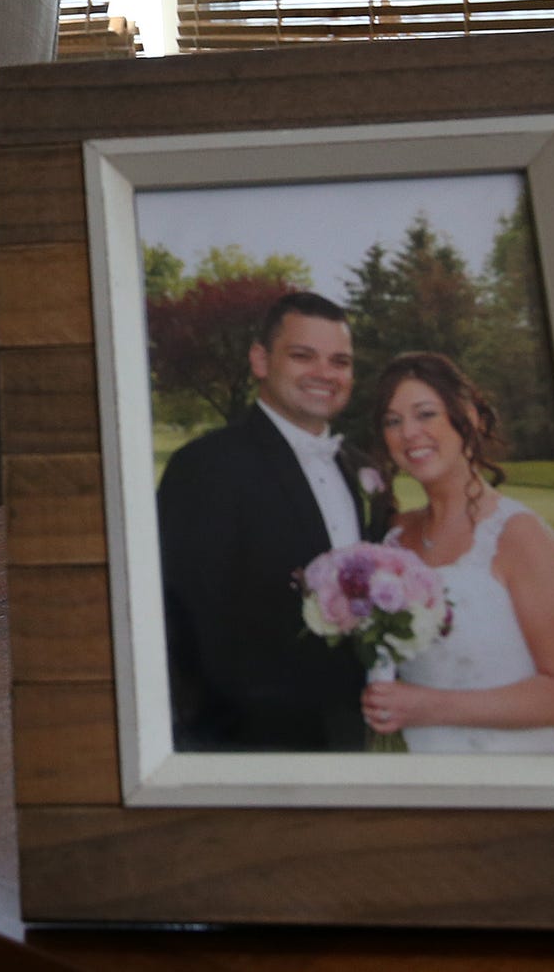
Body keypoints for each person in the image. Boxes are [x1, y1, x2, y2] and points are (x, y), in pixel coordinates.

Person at [154, 291, 393, 751]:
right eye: (303, 356)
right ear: (261, 361)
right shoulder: (206, 467)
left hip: (348, 734)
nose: (325, 374)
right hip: (243, 742)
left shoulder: (364, 470)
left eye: (340, 361)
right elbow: (180, 622)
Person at [360, 353, 554, 751]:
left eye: (425, 414)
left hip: (511, 777)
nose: (409, 433)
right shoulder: (394, 538)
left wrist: (428, 706)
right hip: (426, 774)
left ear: (468, 417)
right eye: (393, 421)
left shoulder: (518, 536)